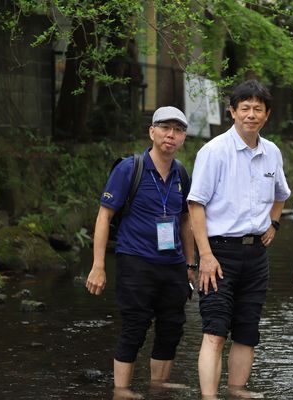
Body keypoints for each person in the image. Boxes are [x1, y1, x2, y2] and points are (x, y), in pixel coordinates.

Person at [187, 79, 291, 398]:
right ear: (232, 112)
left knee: (247, 332)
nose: (250, 114)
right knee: (215, 331)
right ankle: (209, 396)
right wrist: (204, 257)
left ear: (266, 114)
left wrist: (273, 223)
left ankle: (236, 390)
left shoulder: (271, 152)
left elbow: (281, 195)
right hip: (218, 252)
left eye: (257, 109)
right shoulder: (214, 151)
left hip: (256, 253)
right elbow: (195, 205)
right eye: (244, 108)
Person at [85, 106, 196, 399]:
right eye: (165, 128)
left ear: (184, 137)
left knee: (172, 328)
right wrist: (98, 265)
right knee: (135, 326)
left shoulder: (181, 173)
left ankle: (158, 388)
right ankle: (121, 391)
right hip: (135, 261)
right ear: (152, 131)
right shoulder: (129, 168)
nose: (171, 135)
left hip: (172, 264)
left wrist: (190, 264)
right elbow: (103, 217)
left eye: (178, 130)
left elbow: (186, 221)